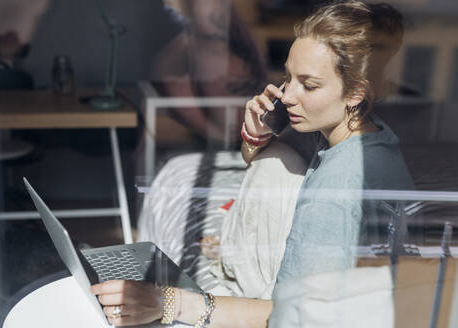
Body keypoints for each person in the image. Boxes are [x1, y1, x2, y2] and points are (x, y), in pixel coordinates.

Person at [90, 1, 414, 327]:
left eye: (309, 84)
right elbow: (259, 161)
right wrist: (256, 136)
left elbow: (295, 317)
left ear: (356, 93)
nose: (287, 95)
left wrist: (167, 301)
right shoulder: (348, 132)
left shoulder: (334, 196)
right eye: (288, 77)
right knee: (275, 158)